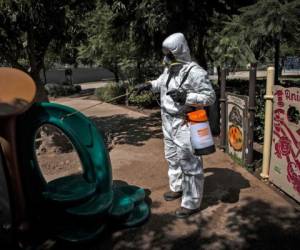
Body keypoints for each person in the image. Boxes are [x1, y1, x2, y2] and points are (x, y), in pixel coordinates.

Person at [134, 33, 215, 218]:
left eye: (169, 53)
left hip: (185, 121)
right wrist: (148, 85)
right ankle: (177, 187)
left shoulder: (195, 72)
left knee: (189, 161)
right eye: (165, 53)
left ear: (179, 50)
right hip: (167, 120)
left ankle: (191, 203)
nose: (166, 57)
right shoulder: (170, 69)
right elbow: (161, 83)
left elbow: (210, 97)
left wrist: (188, 97)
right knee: (172, 156)